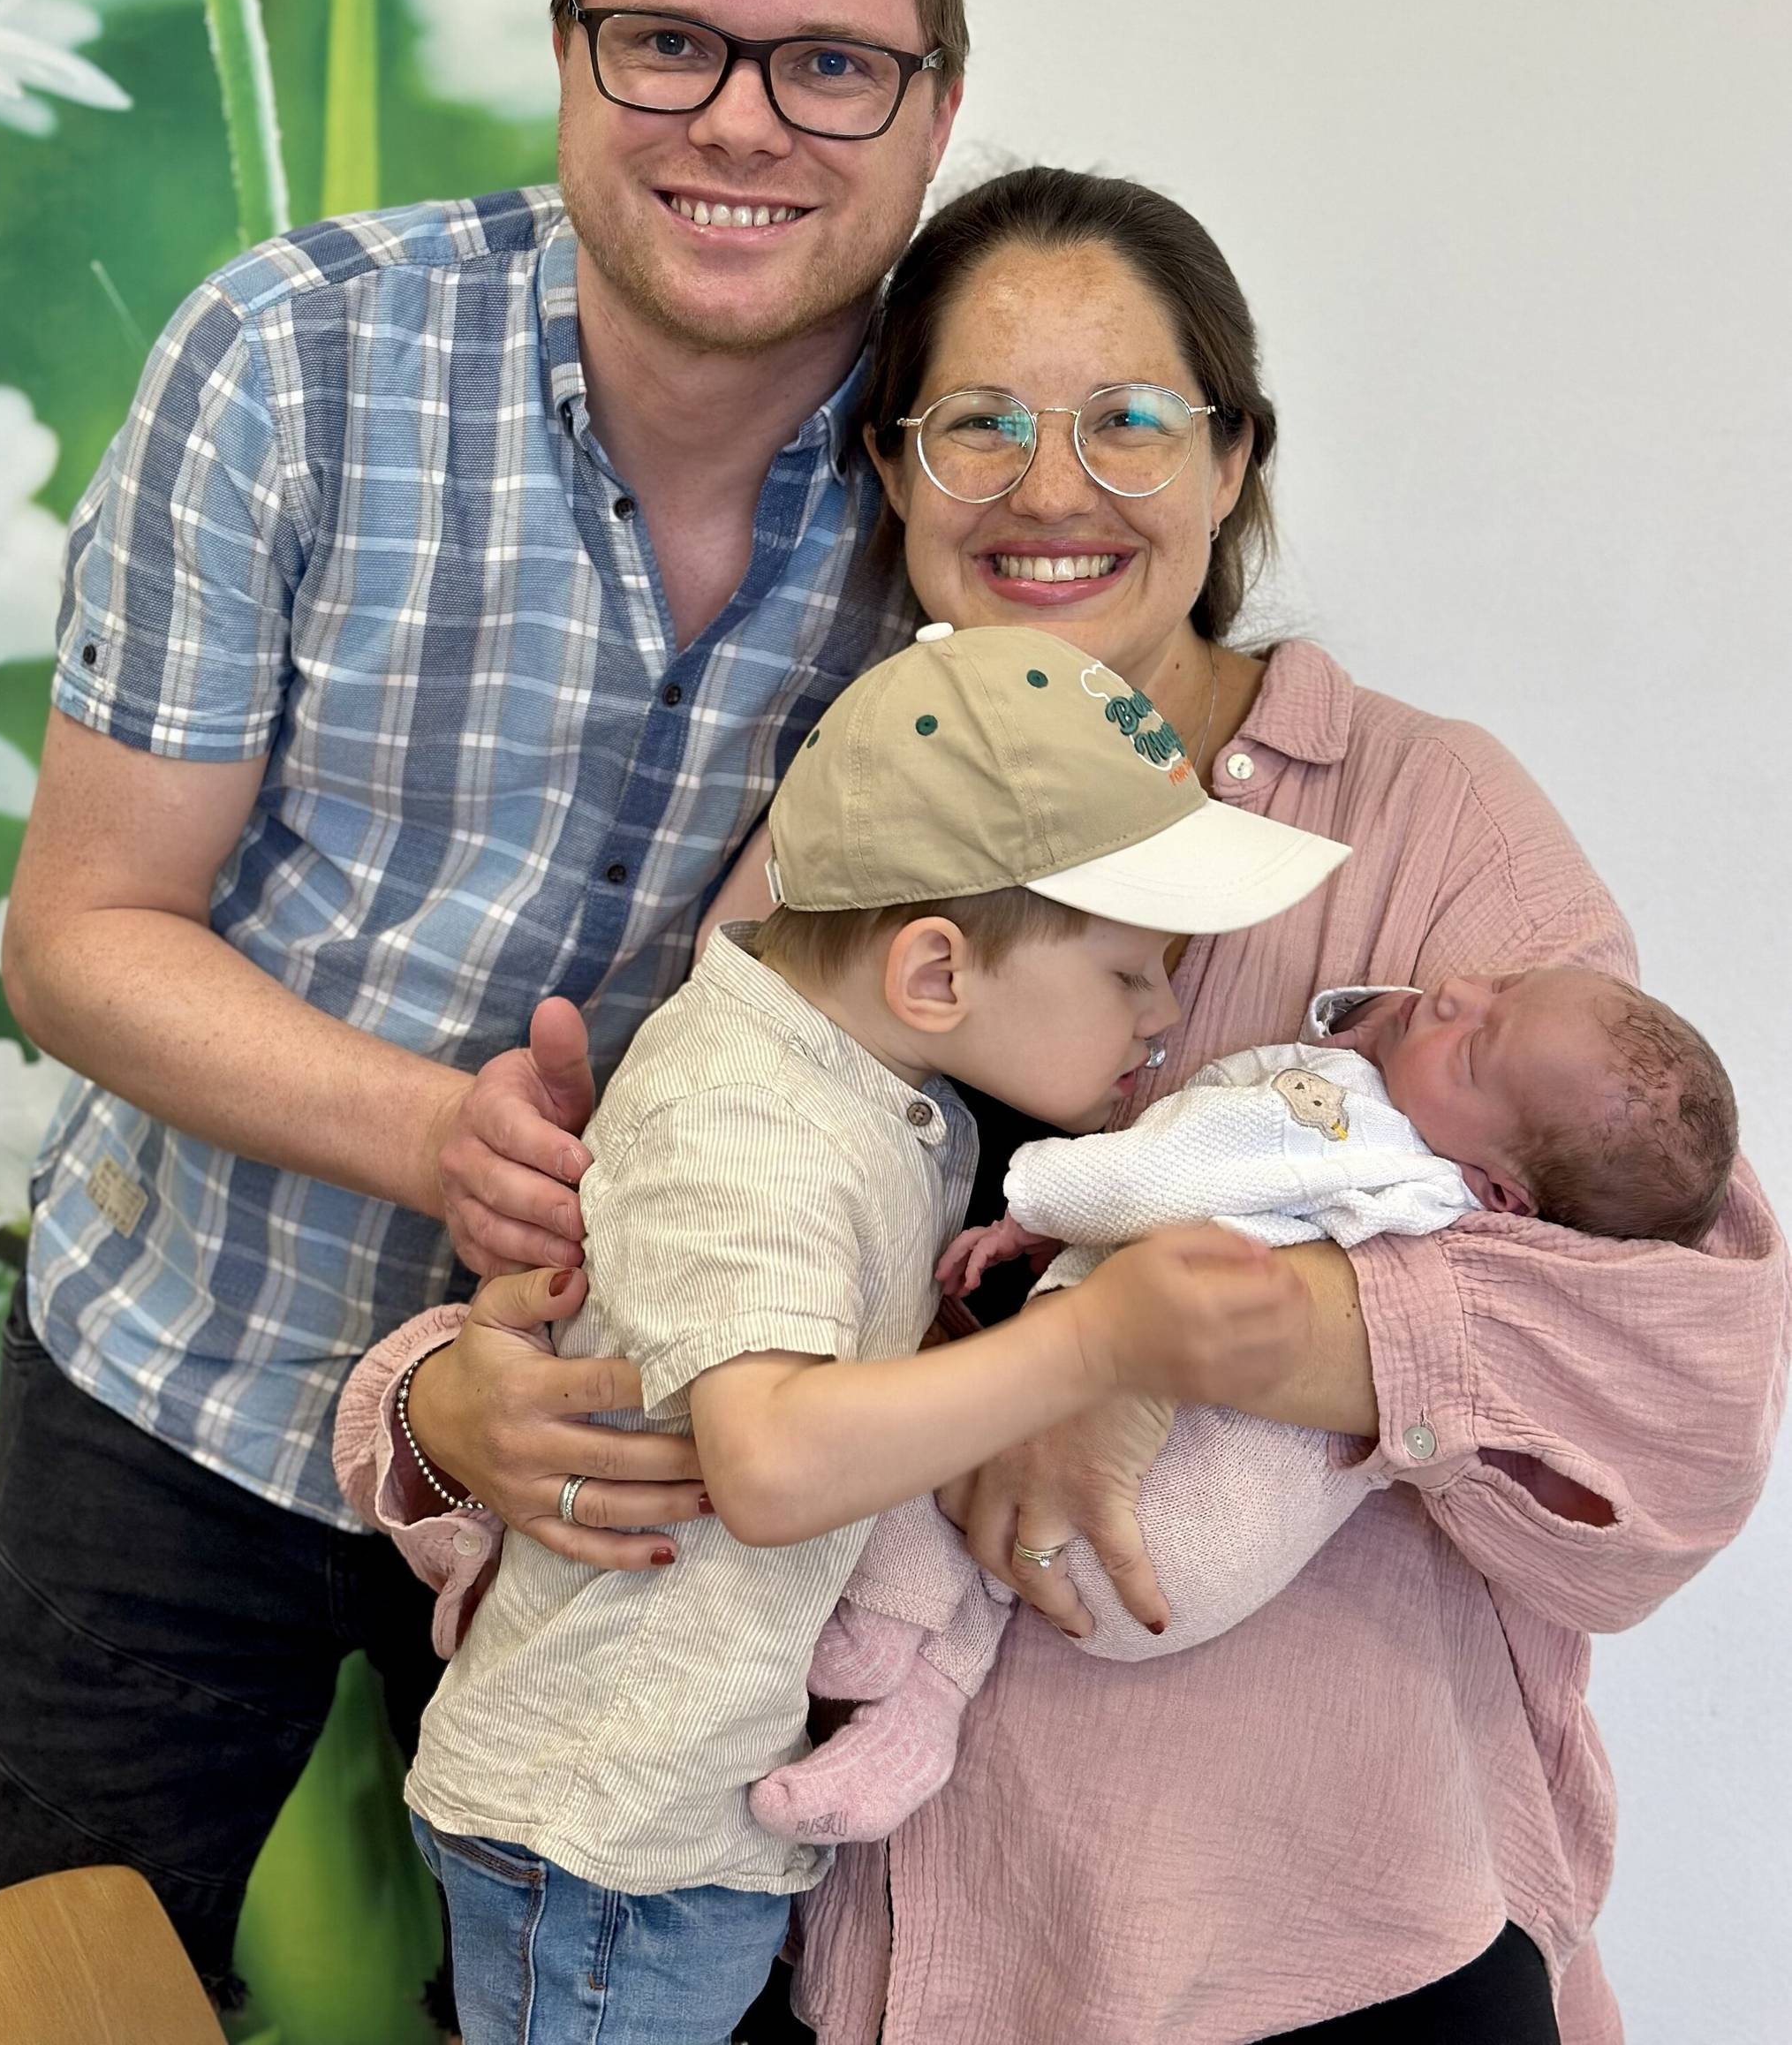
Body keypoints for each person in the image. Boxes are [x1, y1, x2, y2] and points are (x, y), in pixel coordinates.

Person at [371, 167, 1787, 2044]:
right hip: (831, 1936)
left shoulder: (1437, 825)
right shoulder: (855, 817)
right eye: (978, 424)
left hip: (1324, 1958)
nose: (1052, 488)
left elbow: (1688, 1381)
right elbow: (659, 1292)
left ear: (1234, 459)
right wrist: (435, 1413)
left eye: (1128, 418)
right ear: (890, 473)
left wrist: (1207, 1328)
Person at [0, 0, 1028, 2002]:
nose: (743, 122)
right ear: (567, 55)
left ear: (935, 108)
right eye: (671, 42)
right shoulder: (294, 359)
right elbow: (80, 942)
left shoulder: (979, 482)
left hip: (624, 1475)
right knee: (49, 1986)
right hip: (188, 1382)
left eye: (830, 62)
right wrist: (439, 1131)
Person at [386, 620, 1347, 2044]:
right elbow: (768, 1466)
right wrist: (1094, 1349)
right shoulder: (754, 1126)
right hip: (612, 1850)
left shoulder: (858, 1088)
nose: (1166, 1014)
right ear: (937, 976)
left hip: (661, 1822)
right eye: (1133, 973)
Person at [749, 963, 1740, 1845]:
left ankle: (881, 1626)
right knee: (1002, 1547)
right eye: (1503, 982)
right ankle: (919, 1718)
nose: (1453, 993)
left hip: (1181, 1496)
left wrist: (1038, 1204)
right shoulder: (1444, 1201)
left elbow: (1180, 1172)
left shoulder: (1357, 1131)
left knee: (949, 1456)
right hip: (1215, 1553)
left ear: (1506, 1191)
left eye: (1476, 1045)